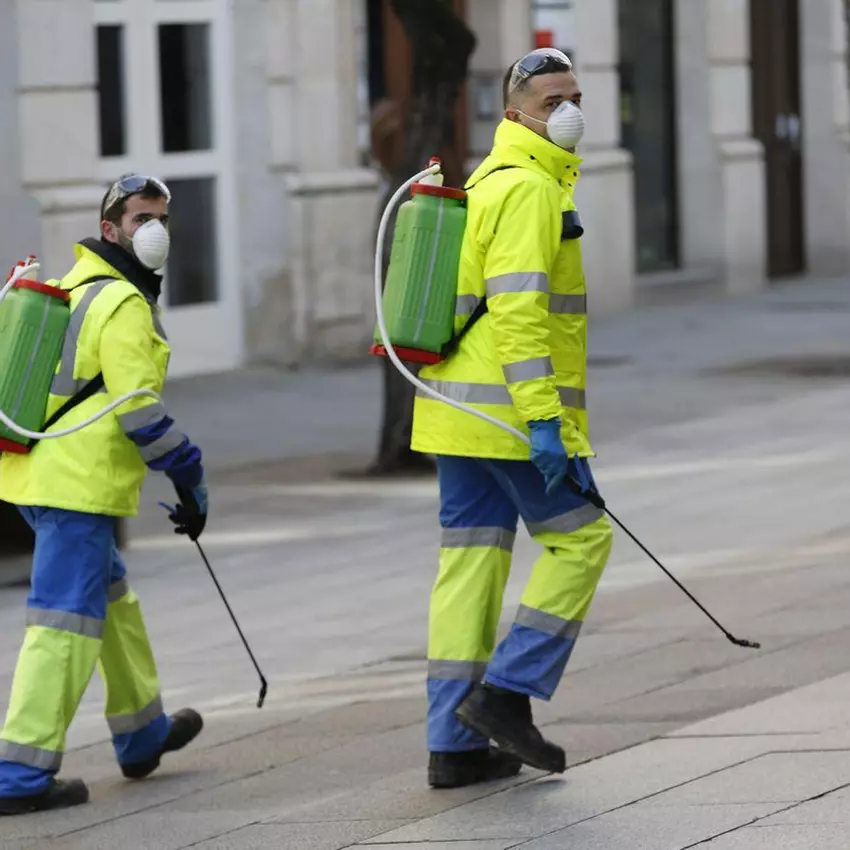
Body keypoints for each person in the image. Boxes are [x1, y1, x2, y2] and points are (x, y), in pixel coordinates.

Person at [411, 49, 614, 789]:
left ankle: (453, 746)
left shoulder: (491, 178)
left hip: (454, 409)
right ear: (514, 112)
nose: (568, 111)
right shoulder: (529, 188)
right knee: (583, 540)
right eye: (552, 100)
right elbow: (520, 315)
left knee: (469, 567)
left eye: (575, 97)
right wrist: (546, 423)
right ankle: (505, 693)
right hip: (505, 415)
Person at [0, 174, 209, 814]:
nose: (155, 230)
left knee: (113, 603)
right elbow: (139, 411)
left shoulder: (71, 286)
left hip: (38, 477)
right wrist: (189, 474)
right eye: (142, 218)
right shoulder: (122, 302)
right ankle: (19, 773)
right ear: (110, 227)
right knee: (62, 622)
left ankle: (142, 732)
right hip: (79, 487)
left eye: (163, 219)